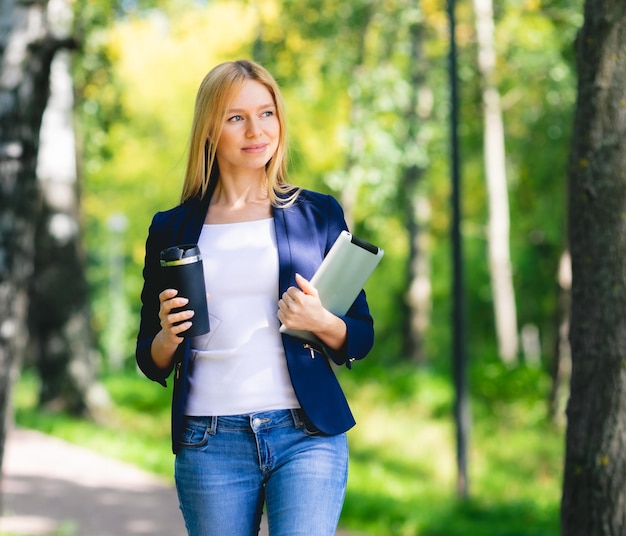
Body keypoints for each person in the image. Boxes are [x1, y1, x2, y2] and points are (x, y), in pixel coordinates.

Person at [136, 59, 374, 536]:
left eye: (266, 113)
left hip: (306, 434)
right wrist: (167, 335)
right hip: (210, 440)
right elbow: (151, 358)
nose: (256, 130)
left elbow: (360, 336)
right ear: (210, 130)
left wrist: (321, 320)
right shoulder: (172, 227)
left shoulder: (318, 214)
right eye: (236, 117)